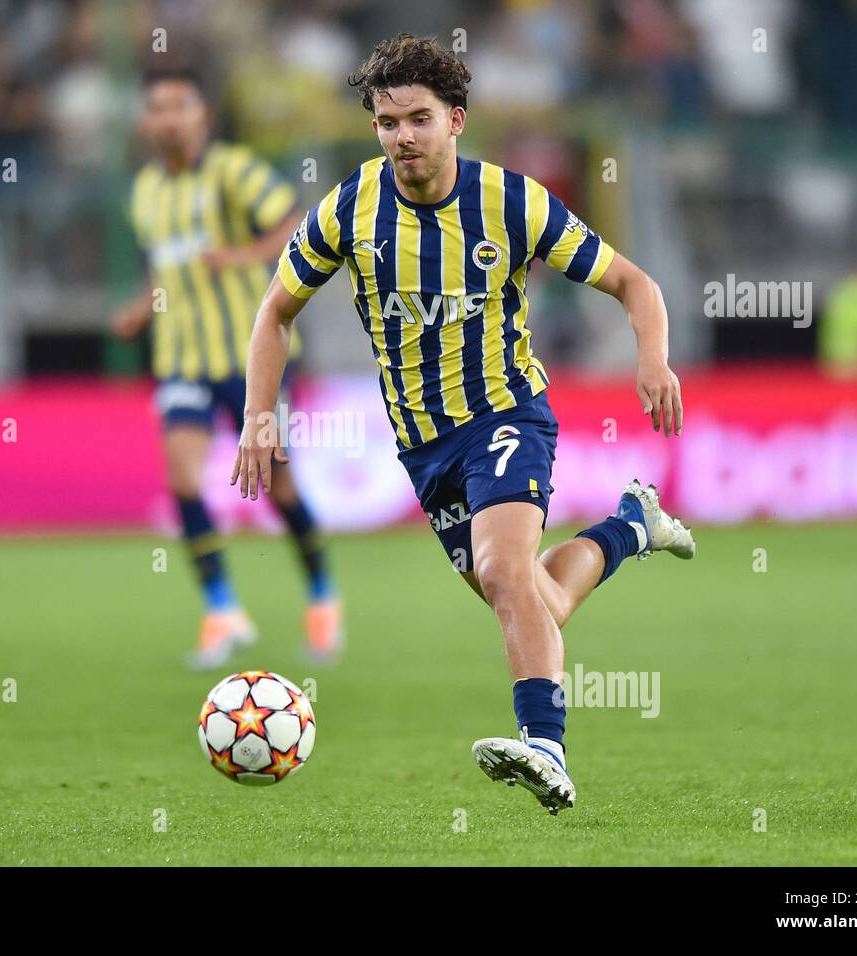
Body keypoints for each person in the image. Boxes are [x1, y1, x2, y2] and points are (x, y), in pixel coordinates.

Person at [231, 35, 694, 814]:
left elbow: (631, 282)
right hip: (423, 447)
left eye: (418, 119)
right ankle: (631, 528)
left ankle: (545, 747)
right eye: (386, 123)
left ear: (456, 121)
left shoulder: (513, 201)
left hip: (508, 413)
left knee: (507, 573)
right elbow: (275, 311)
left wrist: (652, 360)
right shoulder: (349, 207)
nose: (402, 137)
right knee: (535, 597)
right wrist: (257, 418)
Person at [113, 68, 343, 670]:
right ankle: (221, 609)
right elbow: (166, 267)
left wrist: (242, 255)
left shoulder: (234, 171)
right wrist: (142, 309)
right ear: (146, 123)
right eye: (156, 106)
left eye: (179, 105)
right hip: (180, 359)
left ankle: (322, 596)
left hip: (251, 360)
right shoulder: (144, 191)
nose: (167, 117)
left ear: (202, 116)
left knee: (278, 487)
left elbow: (299, 223)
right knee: (185, 482)